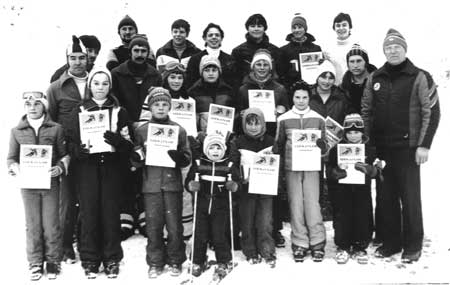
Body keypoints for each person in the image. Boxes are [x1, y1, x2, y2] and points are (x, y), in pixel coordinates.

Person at [361, 29, 440, 263]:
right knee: (386, 198)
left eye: (397, 47)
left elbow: (432, 113)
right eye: (388, 47)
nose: (393, 51)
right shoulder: (375, 78)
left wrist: (424, 146)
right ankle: (392, 242)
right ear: (383, 51)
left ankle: (413, 244)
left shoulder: (419, 76)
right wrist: (368, 144)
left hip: (408, 149)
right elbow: (366, 112)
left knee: (410, 198)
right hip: (383, 149)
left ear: (405, 49)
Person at [67, 66, 133, 279]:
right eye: (96, 83)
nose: (100, 88)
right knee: (89, 213)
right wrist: (77, 151)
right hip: (87, 168)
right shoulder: (80, 110)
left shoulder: (118, 111)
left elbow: (129, 144)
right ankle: (90, 258)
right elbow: (70, 141)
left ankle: (112, 257)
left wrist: (119, 142)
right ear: (89, 86)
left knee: (110, 213)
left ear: (110, 87)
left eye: (105, 83)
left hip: (111, 168)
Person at [7, 92, 69, 280]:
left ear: (44, 106)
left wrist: (59, 168)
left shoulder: (56, 128)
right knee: (32, 224)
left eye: (36, 104)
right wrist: (14, 167)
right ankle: (34, 261)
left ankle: (53, 260)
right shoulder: (17, 131)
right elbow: (11, 157)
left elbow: (64, 154)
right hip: (28, 185)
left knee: (51, 223)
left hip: (49, 183)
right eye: (28, 104)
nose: (32, 107)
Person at [132, 87, 191, 278]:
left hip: (172, 184)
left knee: (174, 225)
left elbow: (187, 157)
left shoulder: (179, 130)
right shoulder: (142, 131)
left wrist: (180, 158)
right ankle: (155, 261)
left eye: (165, 104)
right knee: (153, 225)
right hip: (151, 185)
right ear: (150, 107)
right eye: (156, 104)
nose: (160, 108)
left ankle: (175, 259)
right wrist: (137, 155)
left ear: (170, 107)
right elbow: (135, 158)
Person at [111, 34, 162, 239]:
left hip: (146, 127)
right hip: (124, 126)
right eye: (136, 50)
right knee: (125, 170)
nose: (140, 54)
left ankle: (143, 213)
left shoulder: (154, 74)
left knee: (143, 169)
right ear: (130, 52)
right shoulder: (117, 73)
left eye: (143, 51)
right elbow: (114, 99)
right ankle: (125, 214)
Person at [138, 61, 196, 242]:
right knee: (158, 208)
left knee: (182, 196)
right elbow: (143, 124)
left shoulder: (189, 99)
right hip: (156, 160)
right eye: (173, 77)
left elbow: (195, 126)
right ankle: (160, 241)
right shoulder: (155, 97)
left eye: (180, 77)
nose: (176, 80)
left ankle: (183, 234)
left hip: (180, 150)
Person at [273, 82, 327, 262]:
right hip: (292, 168)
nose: (301, 101)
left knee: (312, 203)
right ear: (292, 98)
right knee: (296, 203)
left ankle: (317, 241)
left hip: (311, 167)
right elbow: (278, 145)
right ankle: (299, 242)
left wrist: (322, 147)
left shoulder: (318, 118)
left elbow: (326, 147)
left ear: (309, 98)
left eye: (304, 97)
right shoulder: (284, 119)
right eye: (297, 97)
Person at [47, 35, 89, 263]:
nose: (78, 62)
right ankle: (65, 246)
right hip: (67, 153)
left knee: (87, 199)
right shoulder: (56, 88)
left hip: (90, 151)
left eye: (82, 58)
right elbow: (51, 122)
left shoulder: (96, 82)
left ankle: (85, 242)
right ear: (67, 59)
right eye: (73, 58)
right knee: (67, 200)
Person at [326, 113, 381, 264]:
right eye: (349, 132)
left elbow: (378, 169)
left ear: (362, 132)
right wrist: (337, 171)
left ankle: (360, 245)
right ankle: (343, 245)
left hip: (362, 191)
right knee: (343, 216)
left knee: (362, 216)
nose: (353, 136)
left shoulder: (369, 149)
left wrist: (371, 170)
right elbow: (329, 170)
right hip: (343, 191)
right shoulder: (337, 149)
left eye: (356, 132)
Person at [185, 133, 239, 279]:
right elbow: (189, 180)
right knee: (200, 235)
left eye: (218, 148)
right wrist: (192, 185)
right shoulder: (199, 164)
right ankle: (197, 261)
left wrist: (233, 185)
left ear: (224, 149)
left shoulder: (228, 165)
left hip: (220, 206)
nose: (215, 151)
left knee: (219, 235)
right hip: (202, 205)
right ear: (205, 149)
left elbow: (237, 182)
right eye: (211, 148)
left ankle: (224, 261)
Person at [230, 108, 276, 267]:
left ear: (263, 124)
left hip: (265, 188)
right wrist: (241, 178)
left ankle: (267, 250)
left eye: (257, 123)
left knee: (265, 221)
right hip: (246, 189)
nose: (253, 127)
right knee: (247, 221)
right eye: (249, 124)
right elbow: (232, 165)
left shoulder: (271, 142)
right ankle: (250, 251)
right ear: (244, 125)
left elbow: (278, 163)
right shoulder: (238, 142)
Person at [309, 61, 352, 222]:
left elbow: (347, 120)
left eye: (330, 77)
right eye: (323, 76)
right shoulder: (309, 96)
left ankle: (340, 227)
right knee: (314, 190)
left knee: (337, 189)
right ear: (317, 77)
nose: (326, 81)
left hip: (335, 149)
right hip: (313, 149)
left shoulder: (341, 97)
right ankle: (316, 224)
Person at [237, 48, 289, 137]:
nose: (262, 68)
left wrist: (282, 112)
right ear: (253, 67)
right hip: (250, 135)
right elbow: (236, 115)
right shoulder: (243, 89)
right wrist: (242, 114)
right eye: (258, 64)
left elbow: (287, 114)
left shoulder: (280, 89)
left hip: (272, 134)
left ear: (270, 68)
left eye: (265, 65)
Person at [188, 55, 234, 133]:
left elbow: (234, 113)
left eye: (214, 70)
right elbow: (190, 118)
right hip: (201, 135)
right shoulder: (193, 91)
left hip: (223, 133)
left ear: (219, 72)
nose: (211, 73)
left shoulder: (228, 90)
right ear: (201, 72)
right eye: (207, 70)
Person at [231, 13, 281, 86]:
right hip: (246, 91)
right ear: (248, 28)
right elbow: (235, 77)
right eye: (253, 26)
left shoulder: (275, 51)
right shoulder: (238, 52)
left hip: (270, 90)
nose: (256, 29)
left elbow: (279, 74)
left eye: (259, 26)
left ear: (264, 28)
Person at [185, 23, 236, 90]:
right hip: (200, 97)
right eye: (210, 35)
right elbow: (190, 83)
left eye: (217, 35)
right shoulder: (195, 59)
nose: (214, 37)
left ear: (221, 38)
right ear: (204, 38)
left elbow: (234, 83)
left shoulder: (229, 59)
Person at [279, 13, 322, 91]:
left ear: (305, 29)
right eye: (294, 28)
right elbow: (281, 74)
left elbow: (321, 71)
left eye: (300, 27)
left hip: (312, 89)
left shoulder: (316, 48)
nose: (297, 30)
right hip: (292, 90)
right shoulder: (283, 50)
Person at [340, 44, 377, 114]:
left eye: (359, 61)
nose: (355, 65)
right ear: (348, 64)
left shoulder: (378, 81)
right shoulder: (343, 87)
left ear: (366, 62)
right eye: (352, 61)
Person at [324, 12, 358, 85]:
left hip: (353, 87)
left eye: (344, 25)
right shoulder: (328, 48)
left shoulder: (357, 46)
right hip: (334, 88)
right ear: (334, 28)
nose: (341, 28)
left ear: (350, 27)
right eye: (338, 26)